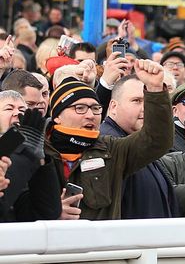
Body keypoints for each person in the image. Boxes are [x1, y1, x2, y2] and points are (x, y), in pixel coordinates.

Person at [46, 60, 174, 220]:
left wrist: (155, 90)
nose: (90, 115)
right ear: (57, 116)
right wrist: (51, 212)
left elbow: (156, 140)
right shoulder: (38, 152)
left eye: (95, 108)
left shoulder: (110, 150)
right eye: (80, 108)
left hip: (100, 244)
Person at [99, 74, 178, 218]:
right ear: (113, 106)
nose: (145, 108)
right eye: (136, 101)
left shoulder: (133, 140)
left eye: (147, 101)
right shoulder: (108, 145)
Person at [0, 91, 60, 221]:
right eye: (9, 108)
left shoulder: (28, 161)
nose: (17, 113)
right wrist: (25, 154)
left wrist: (40, 161)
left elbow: (47, 213)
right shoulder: (24, 160)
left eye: (22, 109)